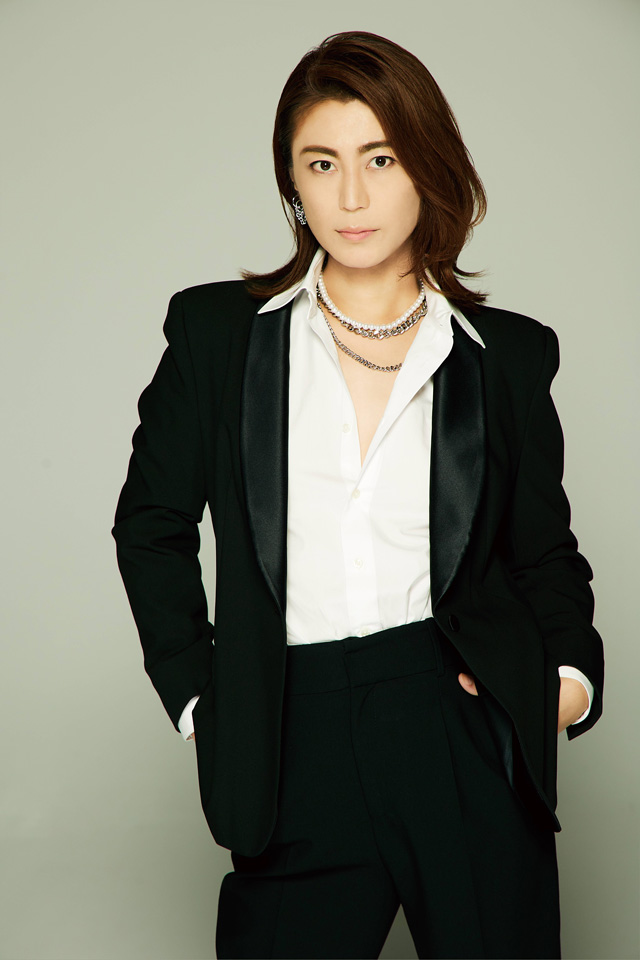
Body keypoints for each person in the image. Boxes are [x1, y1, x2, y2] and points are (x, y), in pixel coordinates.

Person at [112, 30, 604, 960]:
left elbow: (545, 555)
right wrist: (203, 699)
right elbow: (150, 524)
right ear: (291, 183)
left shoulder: (507, 357)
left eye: (380, 159)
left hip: (457, 721)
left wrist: (563, 689)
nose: (350, 196)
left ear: (428, 166)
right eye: (321, 163)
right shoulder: (218, 337)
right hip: (287, 728)